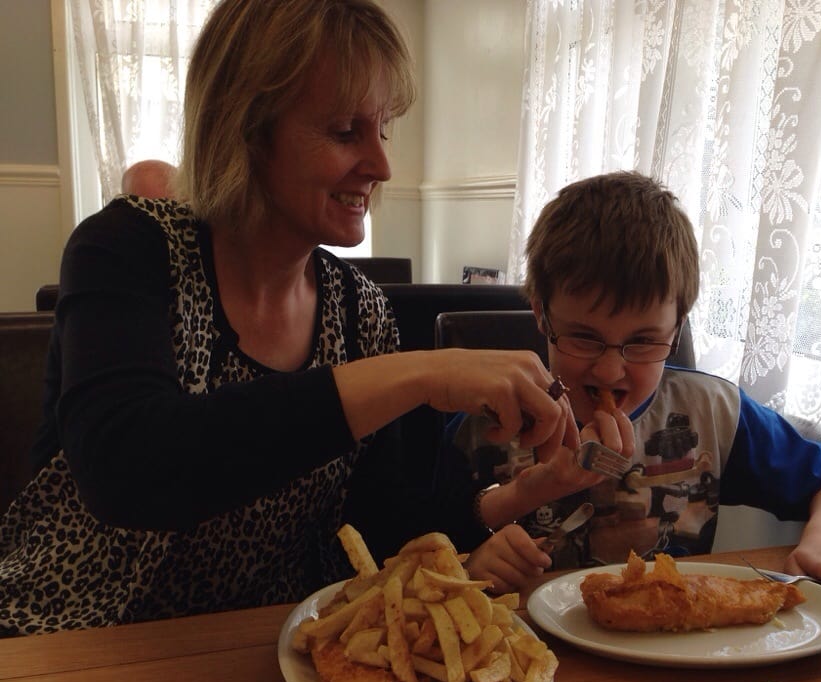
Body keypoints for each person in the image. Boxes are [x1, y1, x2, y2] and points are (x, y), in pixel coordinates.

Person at [0, 0, 574, 637]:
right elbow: (130, 471)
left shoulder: (361, 312)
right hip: (73, 642)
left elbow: (379, 528)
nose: (382, 166)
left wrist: (523, 493)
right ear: (247, 130)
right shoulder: (127, 249)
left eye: (382, 130)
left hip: (269, 651)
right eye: (344, 131)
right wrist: (418, 373)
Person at [438, 171, 821, 611]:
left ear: (678, 328)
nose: (612, 369)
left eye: (644, 341)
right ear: (542, 316)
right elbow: (428, 547)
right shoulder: (487, 421)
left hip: (672, 655)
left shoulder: (711, 412)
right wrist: (480, 554)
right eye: (583, 337)